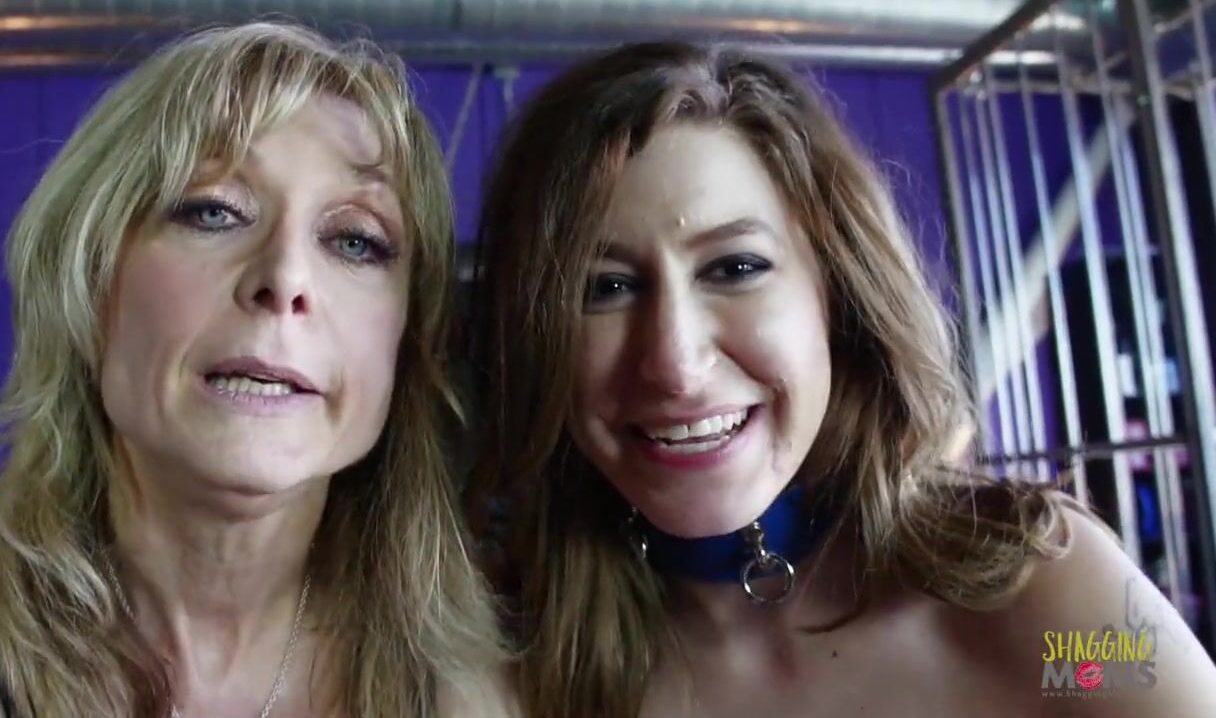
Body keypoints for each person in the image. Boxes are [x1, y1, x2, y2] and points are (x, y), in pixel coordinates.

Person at [467, 40, 1216, 717]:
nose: (675, 363)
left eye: (735, 268)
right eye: (604, 287)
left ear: (837, 295)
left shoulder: (1042, 593)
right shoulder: (511, 660)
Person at [0, 22, 513, 717]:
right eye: (215, 211)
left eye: (356, 241)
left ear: (407, 339)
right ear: (89, 283)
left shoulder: (487, 674)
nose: (286, 278)